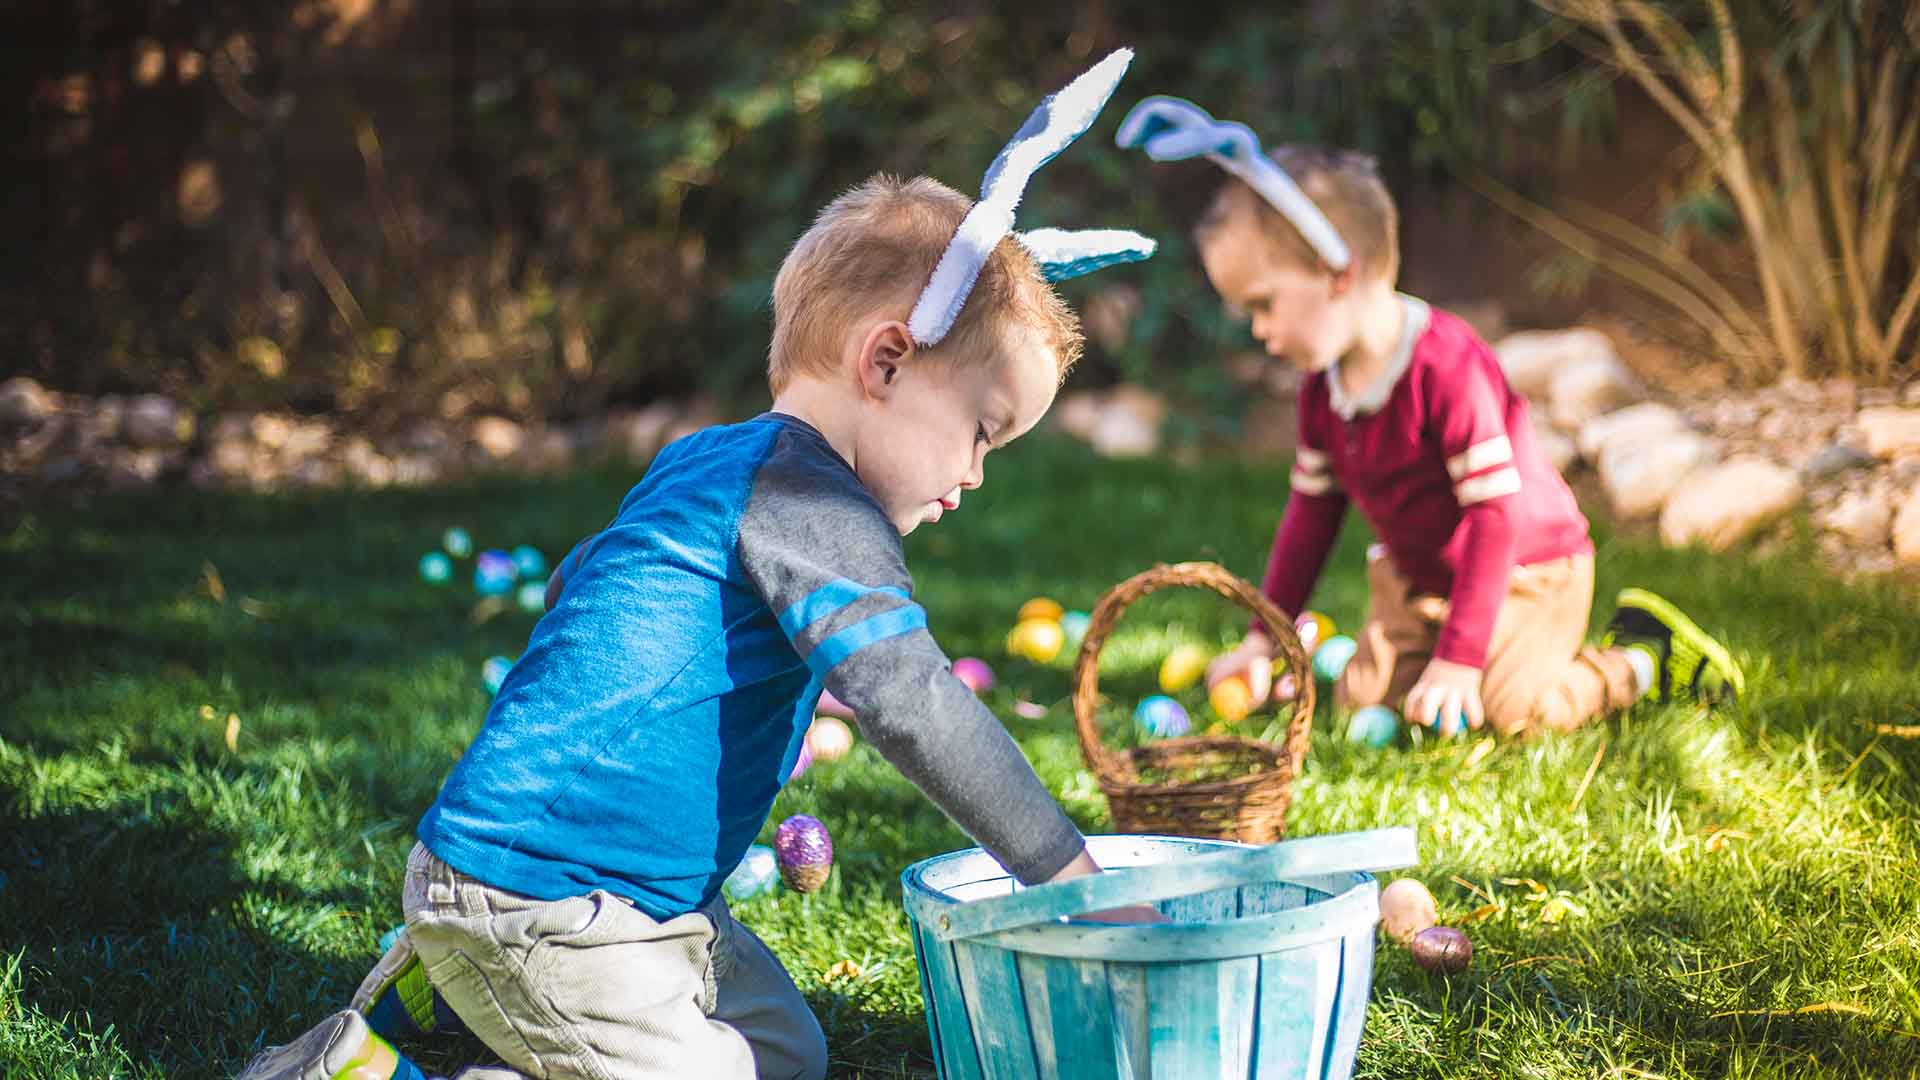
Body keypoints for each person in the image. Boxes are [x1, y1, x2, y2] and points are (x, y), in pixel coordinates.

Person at [237, 51, 1162, 1080]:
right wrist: (1068, 875)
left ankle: (446, 994)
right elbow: (915, 699)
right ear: (888, 360)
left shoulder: (712, 459)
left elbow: (582, 583)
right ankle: (361, 1065)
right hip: (550, 896)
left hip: (637, 895)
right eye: (982, 432)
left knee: (786, 1055)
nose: (979, 473)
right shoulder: (817, 503)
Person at [1115, 97, 1743, 738]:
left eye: (1264, 304)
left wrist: (1461, 660)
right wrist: (1263, 638)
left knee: (1515, 712)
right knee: (1365, 704)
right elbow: (1310, 519)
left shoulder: (1445, 366)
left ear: (1337, 274)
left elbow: (1497, 516)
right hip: (1418, 580)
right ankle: (1439, 654)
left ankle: (1643, 658)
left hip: (1527, 570)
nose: (1259, 330)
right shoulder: (1322, 390)